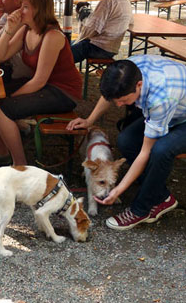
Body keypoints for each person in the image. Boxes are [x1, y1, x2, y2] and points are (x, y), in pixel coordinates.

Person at [67, 56, 186, 230]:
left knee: (161, 151)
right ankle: (161, 195)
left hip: (180, 115)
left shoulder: (160, 99)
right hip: (175, 110)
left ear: (139, 85)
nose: (119, 105)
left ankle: (141, 209)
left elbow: (145, 152)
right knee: (126, 141)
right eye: (116, 101)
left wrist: (118, 190)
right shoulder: (127, 69)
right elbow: (110, 95)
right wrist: (89, 120)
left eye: (123, 100)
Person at [0, 0, 82, 167]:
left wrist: (10, 97)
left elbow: (39, 80)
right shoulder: (26, 30)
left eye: (25, 7)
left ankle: (19, 165)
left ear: (39, 10)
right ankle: (1, 153)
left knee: (3, 108)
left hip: (63, 92)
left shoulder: (52, 36)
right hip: (43, 85)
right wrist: (8, 29)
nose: (19, 11)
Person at [70, 0, 132, 64]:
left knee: (63, 53)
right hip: (110, 47)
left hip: (99, 47)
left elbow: (93, 28)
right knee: (67, 44)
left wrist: (79, 39)